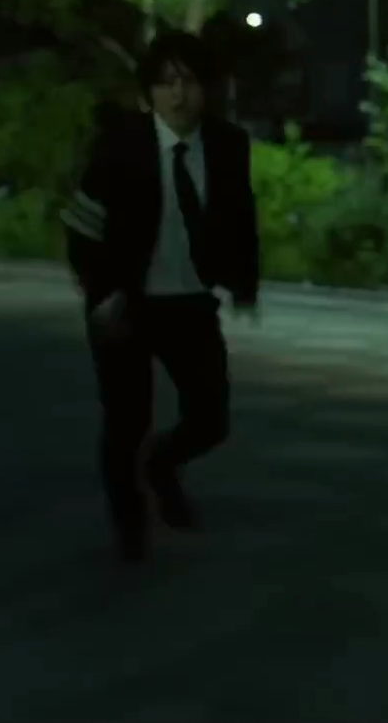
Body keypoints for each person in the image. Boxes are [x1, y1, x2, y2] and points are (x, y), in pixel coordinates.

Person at [60, 31, 260, 564]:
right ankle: (129, 523)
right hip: (126, 302)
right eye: (167, 82)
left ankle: (162, 464)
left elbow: (241, 215)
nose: (179, 94)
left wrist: (245, 282)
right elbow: (82, 226)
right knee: (126, 420)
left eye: (189, 81)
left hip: (189, 301)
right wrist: (101, 293)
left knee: (211, 418)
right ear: (149, 91)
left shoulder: (226, 144)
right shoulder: (122, 144)